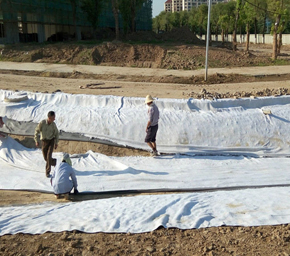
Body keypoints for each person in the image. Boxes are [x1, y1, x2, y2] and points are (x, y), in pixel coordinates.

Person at [34, 111, 59, 177]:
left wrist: (56, 143)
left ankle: (47, 172)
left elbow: (56, 133)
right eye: (53, 118)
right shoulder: (42, 123)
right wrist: (36, 140)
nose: (54, 119)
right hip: (44, 142)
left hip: (51, 141)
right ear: (49, 117)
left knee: (48, 156)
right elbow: (36, 131)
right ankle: (55, 162)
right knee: (46, 158)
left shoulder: (53, 125)